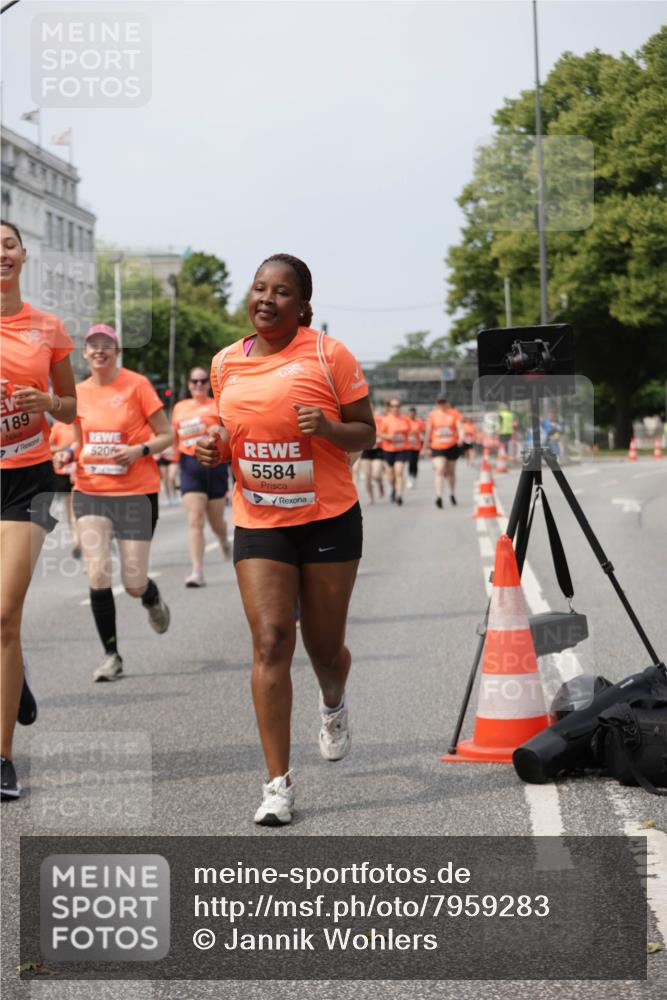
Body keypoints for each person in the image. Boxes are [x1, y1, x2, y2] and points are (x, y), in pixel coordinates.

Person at [196, 253, 374, 825]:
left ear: (304, 306)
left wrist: (326, 428)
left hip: (327, 518)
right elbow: (228, 432)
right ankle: (278, 784)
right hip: (260, 520)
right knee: (272, 641)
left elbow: (366, 431)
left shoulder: (329, 354)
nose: (266, 299)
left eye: (281, 292)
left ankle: (333, 703)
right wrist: (214, 448)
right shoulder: (225, 363)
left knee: (324, 649)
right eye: (259, 288)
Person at [1, 220, 77, 800]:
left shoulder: (47, 327)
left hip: (30, 478)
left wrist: (47, 401)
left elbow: (71, 410)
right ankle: (16, 677)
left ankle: (2, 758)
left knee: (5, 613)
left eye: (7, 242)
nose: (0, 253)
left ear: (23, 254)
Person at [57, 324, 172, 682]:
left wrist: (139, 450)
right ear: (85, 353)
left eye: (107, 345)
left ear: (117, 351)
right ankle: (111, 655)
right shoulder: (77, 393)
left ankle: (150, 597)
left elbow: (167, 435)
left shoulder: (137, 385)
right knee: (98, 573)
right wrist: (68, 457)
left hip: (136, 492)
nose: (99, 351)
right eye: (93, 345)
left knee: (134, 580)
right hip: (92, 492)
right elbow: (79, 442)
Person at [172, 366, 231, 587]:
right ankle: (197, 571)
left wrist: (219, 430)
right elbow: (173, 436)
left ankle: (223, 539)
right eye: (194, 381)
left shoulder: (218, 405)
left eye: (203, 381)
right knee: (195, 519)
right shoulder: (180, 407)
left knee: (216, 522)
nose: (198, 385)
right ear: (188, 384)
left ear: (209, 383)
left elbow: (229, 434)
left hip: (215, 467)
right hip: (189, 467)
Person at [49, 418, 81, 557]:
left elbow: (82, 445)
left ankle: (79, 539)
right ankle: (76, 537)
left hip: (78, 471)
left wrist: (73, 448)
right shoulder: (57, 427)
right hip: (62, 473)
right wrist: (64, 448)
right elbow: (49, 448)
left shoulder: (79, 424)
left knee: (77, 507)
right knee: (70, 508)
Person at [424, 396, 462, 508]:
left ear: (447, 402)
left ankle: (452, 493)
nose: (441, 404)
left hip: (451, 445)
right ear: (437, 403)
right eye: (439, 402)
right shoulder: (433, 415)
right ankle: (439, 496)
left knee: (451, 471)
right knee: (440, 469)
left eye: (443, 402)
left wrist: (461, 437)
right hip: (437, 446)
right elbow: (428, 431)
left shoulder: (454, 413)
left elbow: (459, 427)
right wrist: (425, 446)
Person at [380, 398, 411, 505]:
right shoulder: (385, 419)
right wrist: (389, 436)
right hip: (388, 449)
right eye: (393, 406)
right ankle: (393, 488)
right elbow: (380, 434)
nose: (396, 408)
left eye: (398, 406)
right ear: (389, 407)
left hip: (402, 449)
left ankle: (399, 495)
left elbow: (409, 433)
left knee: (399, 472)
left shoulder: (405, 419)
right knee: (391, 475)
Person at [406, 406, 425, 489]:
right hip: (407, 445)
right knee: (410, 461)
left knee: (415, 463)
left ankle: (414, 477)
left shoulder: (419, 422)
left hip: (417, 445)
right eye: (410, 413)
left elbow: (424, 431)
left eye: (413, 413)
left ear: (415, 414)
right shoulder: (405, 421)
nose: (412, 415)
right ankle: (410, 477)